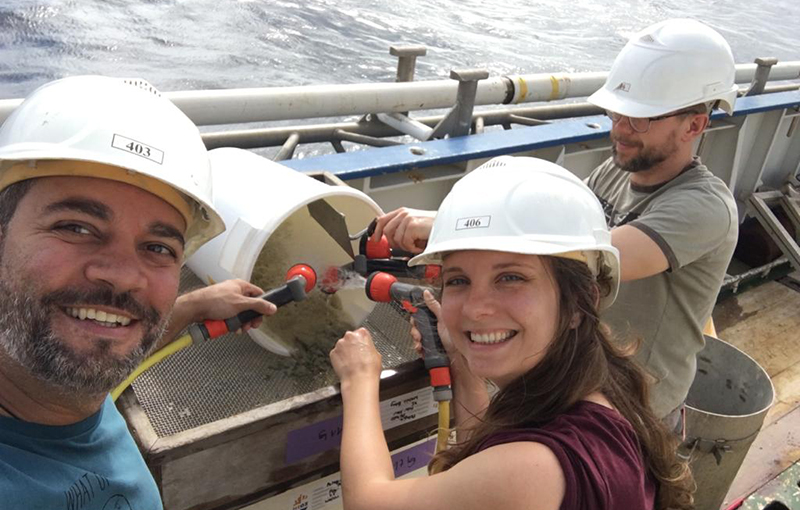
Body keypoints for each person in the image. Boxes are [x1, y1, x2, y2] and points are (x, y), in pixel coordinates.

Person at [372, 19, 739, 423]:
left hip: (632, 407)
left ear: (694, 125)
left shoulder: (705, 208)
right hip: (575, 376)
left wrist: (447, 227)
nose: (620, 130)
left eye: (641, 119)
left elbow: (584, 255)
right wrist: (445, 223)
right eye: (617, 113)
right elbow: (546, 216)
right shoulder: (615, 172)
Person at [331, 156, 693, 510]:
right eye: (458, 280)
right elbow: (488, 468)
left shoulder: (531, 471)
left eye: (511, 278)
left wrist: (359, 378)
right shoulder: (602, 391)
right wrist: (460, 360)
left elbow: (368, 502)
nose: (475, 309)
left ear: (580, 301)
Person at [0, 76, 275, 509]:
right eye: (76, 227)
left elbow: (94, 334)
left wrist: (194, 305)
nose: (125, 277)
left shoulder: (55, 380)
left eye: (157, 248)